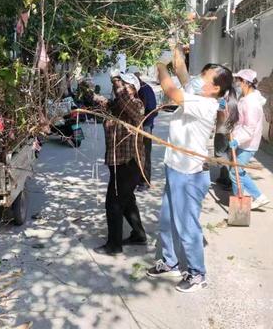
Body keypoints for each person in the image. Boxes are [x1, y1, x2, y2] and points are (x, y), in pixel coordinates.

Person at [147, 50, 238, 293]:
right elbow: (181, 70)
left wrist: (159, 64)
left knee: (187, 227)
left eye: (204, 77)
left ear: (215, 89)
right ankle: (169, 262)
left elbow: (171, 90)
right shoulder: (197, 93)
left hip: (188, 175)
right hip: (174, 168)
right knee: (167, 222)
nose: (197, 79)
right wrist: (175, 39)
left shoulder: (204, 104)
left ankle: (198, 274)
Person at [94, 71, 147, 256]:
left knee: (114, 203)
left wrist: (117, 80)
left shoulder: (136, 105)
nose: (117, 87)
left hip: (129, 163)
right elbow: (106, 105)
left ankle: (114, 245)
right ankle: (139, 235)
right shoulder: (119, 106)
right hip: (118, 163)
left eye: (122, 84)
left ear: (131, 87)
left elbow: (125, 100)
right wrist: (91, 94)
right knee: (127, 201)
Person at [229, 69, 270, 210]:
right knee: (236, 171)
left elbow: (249, 128)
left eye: (238, 80)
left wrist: (237, 140)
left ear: (246, 82)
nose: (237, 84)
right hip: (242, 140)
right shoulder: (245, 98)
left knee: (235, 172)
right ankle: (241, 199)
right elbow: (241, 120)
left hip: (247, 144)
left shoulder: (251, 103)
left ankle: (255, 198)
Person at [126, 66, 157, 190]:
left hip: (145, 127)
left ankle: (144, 181)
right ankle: (135, 179)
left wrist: (142, 122)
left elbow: (153, 111)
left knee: (144, 154)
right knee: (135, 154)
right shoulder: (133, 90)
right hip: (134, 126)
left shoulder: (145, 89)